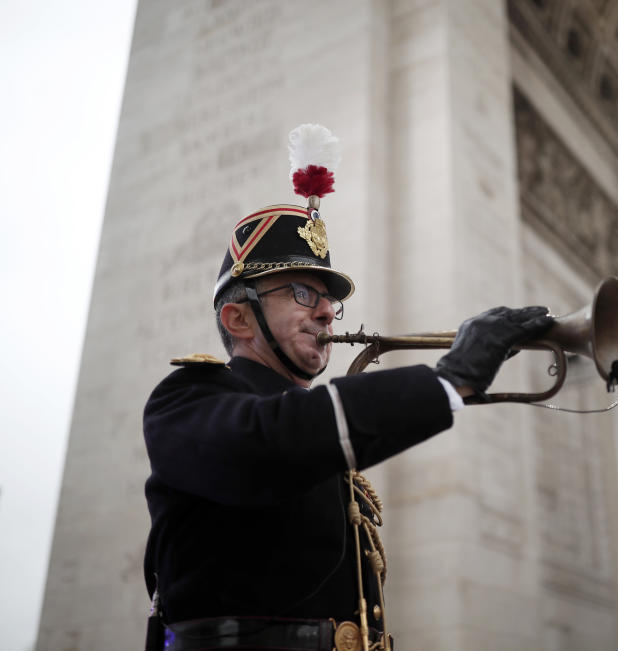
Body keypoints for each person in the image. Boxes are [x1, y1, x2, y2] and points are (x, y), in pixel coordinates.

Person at [142, 125, 553, 651]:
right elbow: (271, 442)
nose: (326, 311)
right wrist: (449, 381)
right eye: (301, 292)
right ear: (238, 319)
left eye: (330, 300)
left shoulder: (313, 424)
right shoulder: (186, 399)